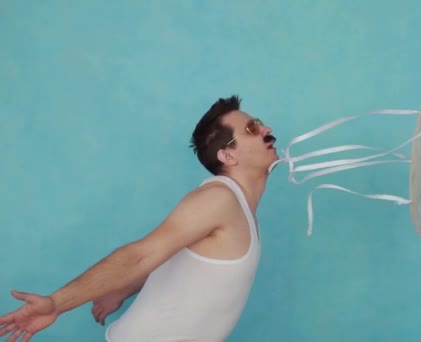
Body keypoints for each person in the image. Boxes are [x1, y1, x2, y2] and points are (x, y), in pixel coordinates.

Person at [0, 95, 279, 342]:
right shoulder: (219, 199)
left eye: (260, 123)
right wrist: (56, 303)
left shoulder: (239, 208)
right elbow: (141, 255)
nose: (266, 130)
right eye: (252, 129)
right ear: (227, 155)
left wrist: (124, 288)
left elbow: (180, 257)